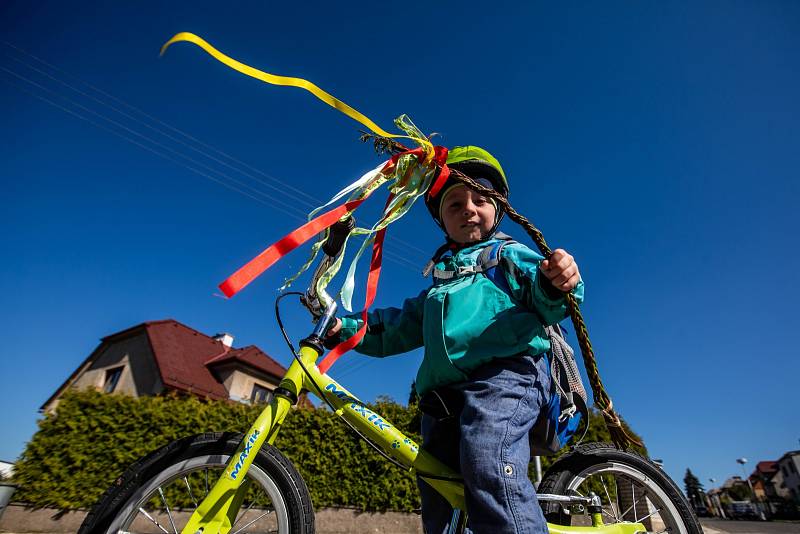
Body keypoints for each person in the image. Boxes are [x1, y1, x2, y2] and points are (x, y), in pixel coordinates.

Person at [325, 146, 584, 533]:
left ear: (499, 209)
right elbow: (396, 326)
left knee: (488, 459)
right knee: (438, 488)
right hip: (442, 401)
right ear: (441, 221)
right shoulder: (439, 284)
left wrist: (556, 280)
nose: (468, 209)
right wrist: (344, 329)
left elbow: (546, 296)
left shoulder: (508, 255)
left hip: (505, 378)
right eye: (455, 204)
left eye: (480, 200)